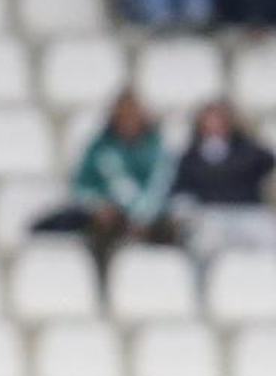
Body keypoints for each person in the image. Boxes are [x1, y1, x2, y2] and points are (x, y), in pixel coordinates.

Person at [37, 90, 176, 264]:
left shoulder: (156, 150)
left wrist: (141, 215)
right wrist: (98, 203)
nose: (128, 119)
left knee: (170, 228)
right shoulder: (98, 148)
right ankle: (103, 279)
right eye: (123, 114)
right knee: (101, 226)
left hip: (150, 215)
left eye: (133, 114)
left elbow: (160, 188)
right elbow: (80, 187)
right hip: (110, 216)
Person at [171, 100, 276, 260]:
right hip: (210, 214)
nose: (214, 124)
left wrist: (247, 130)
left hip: (248, 213)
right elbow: (180, 190)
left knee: (269, 237)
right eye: (209, 119)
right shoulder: (190, 157)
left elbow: (268, 160)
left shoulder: (247, 150)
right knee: (202, 243)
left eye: (219, 119)